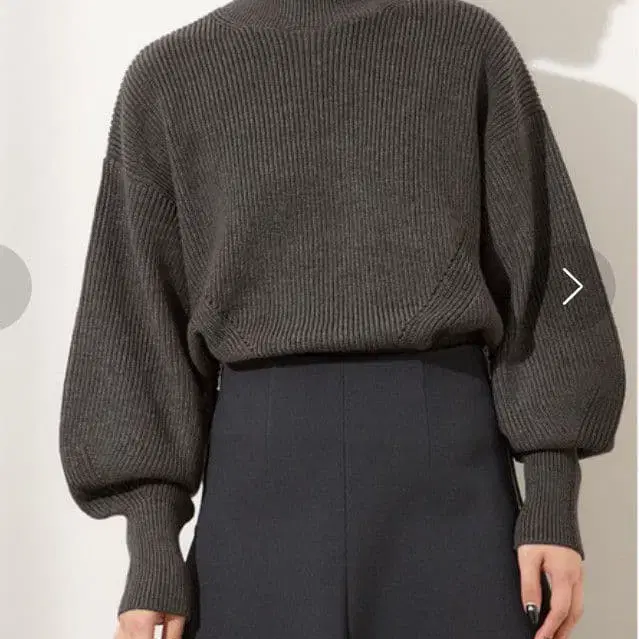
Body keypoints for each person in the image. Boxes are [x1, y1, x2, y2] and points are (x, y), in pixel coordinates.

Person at [58, 0, 627, 638]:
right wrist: (152, 546)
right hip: (257, 491)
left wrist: (551, 498)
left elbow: (542, 277)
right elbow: (136, 319)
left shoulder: (465, 47)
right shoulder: (170, 77)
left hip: (451, 474)